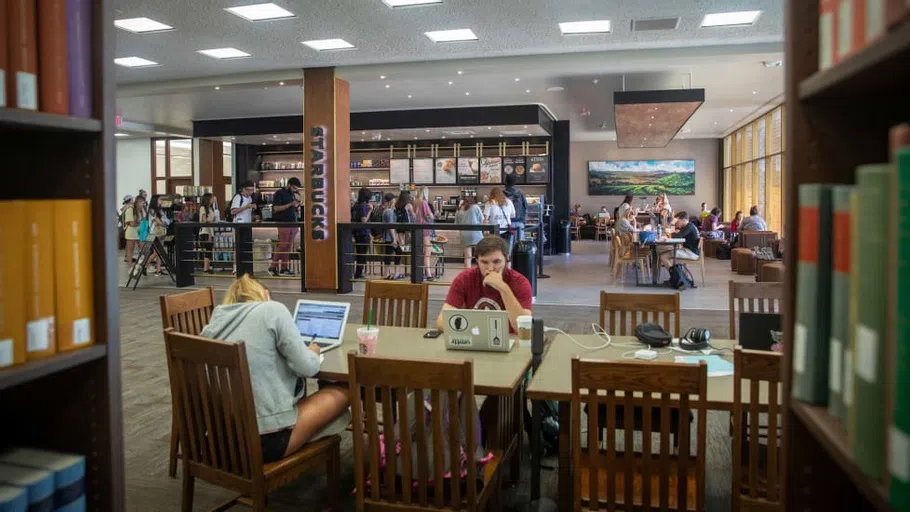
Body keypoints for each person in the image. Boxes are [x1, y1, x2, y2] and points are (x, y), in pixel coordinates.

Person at [200, 275, 349, 464]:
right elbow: (308, 368)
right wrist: (312, 351)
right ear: (265, 294)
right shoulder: (272, 310)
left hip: (220, 440)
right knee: (345, 390)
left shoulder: (215, 323)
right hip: (264, 442)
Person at [436, 235, 532, 333]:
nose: (490, 268)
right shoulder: (464, 279)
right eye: (484, 262)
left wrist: (503, 288)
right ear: (477, 261)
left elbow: (524, 329)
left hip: (510, 339)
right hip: (474, 339)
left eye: (497, 262)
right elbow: (441, 322)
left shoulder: (520, 282)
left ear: (507, 258)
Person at [268, 178, 302, 277]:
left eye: (296, 189)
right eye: (294, 188)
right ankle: (272, 267)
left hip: (293, 222)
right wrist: (291, 204)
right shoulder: (279, 193)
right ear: (289, 185)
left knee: (288, 246)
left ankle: (284, 268)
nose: (295, 190)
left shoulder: (292, 194)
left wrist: (297, 204)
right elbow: (276, 208)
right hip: (283, 222)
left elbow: (293, 207)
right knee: (283, 245)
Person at [413, 186, 436, 281]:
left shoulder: (415, 203)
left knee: (420, 252)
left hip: (417, 229)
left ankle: (421, 273)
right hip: (426, 229)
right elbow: (428, 215)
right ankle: (429, 274)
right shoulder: (424, 202)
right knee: (427, 252)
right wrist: (433, 215)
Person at [455, 195, 484, 268]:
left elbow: (456, 223)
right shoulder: (476, 207)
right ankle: (480, 272)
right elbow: (481, 220)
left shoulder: (460, 209)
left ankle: (468, 275)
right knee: (480, 256)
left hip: (464, 235)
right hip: (476, 234)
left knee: (467, 257)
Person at [380, 193, 405, 280]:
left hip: (387, 238)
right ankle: (396, 273)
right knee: (398, 252)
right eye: (394, 200)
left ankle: (387, 274)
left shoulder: (385, 211)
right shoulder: (390, 211)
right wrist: (394, 239)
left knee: (388, 254)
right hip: (391, 238)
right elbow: (391, 226)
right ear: (391, 201)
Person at [350, 187, 373, 280]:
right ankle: (358, 273)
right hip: (363, 233)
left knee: (360, 253)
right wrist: (370, 210)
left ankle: (358, 272)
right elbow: (364, 220)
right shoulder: (363, 206)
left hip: (356, 233)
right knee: (362, 254)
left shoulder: (355, 205)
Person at [503, 173, 528, 249]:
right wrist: (524, 220)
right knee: (520, 245)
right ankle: (519, 260)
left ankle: (508, 260)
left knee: (507, 245)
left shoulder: (501, 194)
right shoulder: (519, 193)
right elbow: (526, 206)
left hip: (506, 224)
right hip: (519, 222)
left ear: (505, 182)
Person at [198, 193, 216, 274]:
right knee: (207, 249)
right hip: (205, 231)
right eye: (212, 198)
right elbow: (204, 220)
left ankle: (208, 267)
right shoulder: (203, 208)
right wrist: (211, 221)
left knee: (209, 249)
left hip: (211, 231)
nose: (213, 199)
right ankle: (206, 268)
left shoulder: (211, 208)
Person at [123, 196, 142, 264]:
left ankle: (144, 265)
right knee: (130, 250)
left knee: (142, 248)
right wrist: (139, 223)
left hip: (138, 232)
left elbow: (139, 222)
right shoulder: (129, 210)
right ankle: (130, 266)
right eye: (141, 203)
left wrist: (138, 223)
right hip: (131, 233)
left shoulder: (138, 210)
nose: (143, 204)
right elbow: (131, 224)